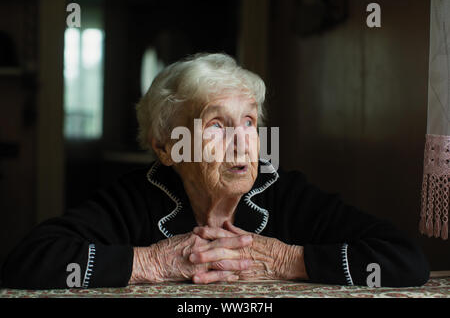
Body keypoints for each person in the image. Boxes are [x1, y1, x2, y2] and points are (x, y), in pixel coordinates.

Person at [0, 53, 429, 289]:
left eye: (249, 122)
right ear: (166, 147)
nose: (243, 141)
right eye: (217, 125)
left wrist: (288, 259)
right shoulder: (138, 196)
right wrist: (151, 262)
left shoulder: (283, 192)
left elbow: (405, 260)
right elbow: (28, 261)